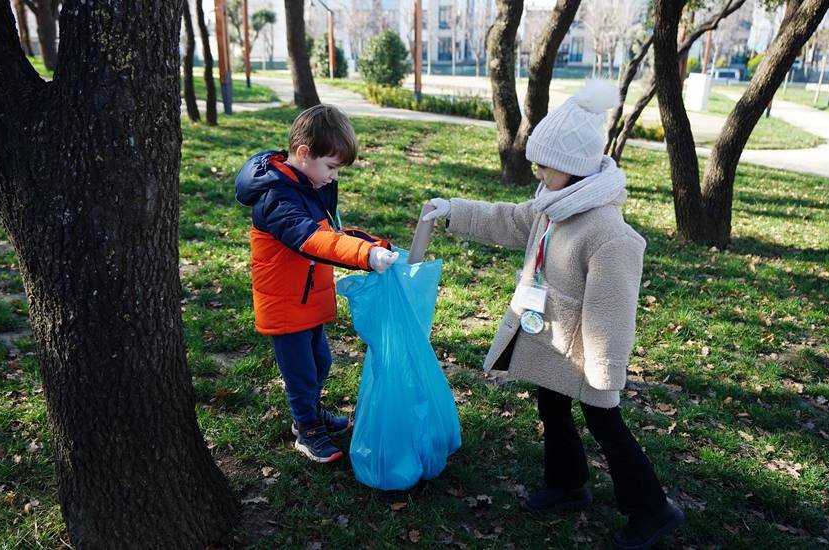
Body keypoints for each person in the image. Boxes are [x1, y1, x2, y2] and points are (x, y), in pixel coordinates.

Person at [422, 81, 684, 549]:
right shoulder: (553, 205)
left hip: (586, 356)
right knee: (552, 407)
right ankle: (568, 484)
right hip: (550, 339)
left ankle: (652, 509)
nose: (537, 172)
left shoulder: (610, 235)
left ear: (576, 166)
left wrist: (605, 372)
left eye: (546, 164)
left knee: (606, 425)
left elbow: (613, 311)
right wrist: (454, 212)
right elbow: (507, 219)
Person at [234, 104, 398, 463]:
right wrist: (364, 256)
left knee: (320, 362)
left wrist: (377, 246)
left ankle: (311, 412)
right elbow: (313, 240)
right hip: (285, 304)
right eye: (331, 167)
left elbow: (333, 233)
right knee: (302, 372)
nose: (334, 177)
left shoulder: (307, 186)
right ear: (305, 153)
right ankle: (306, 429)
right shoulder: (277, 198)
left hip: (306, 299)